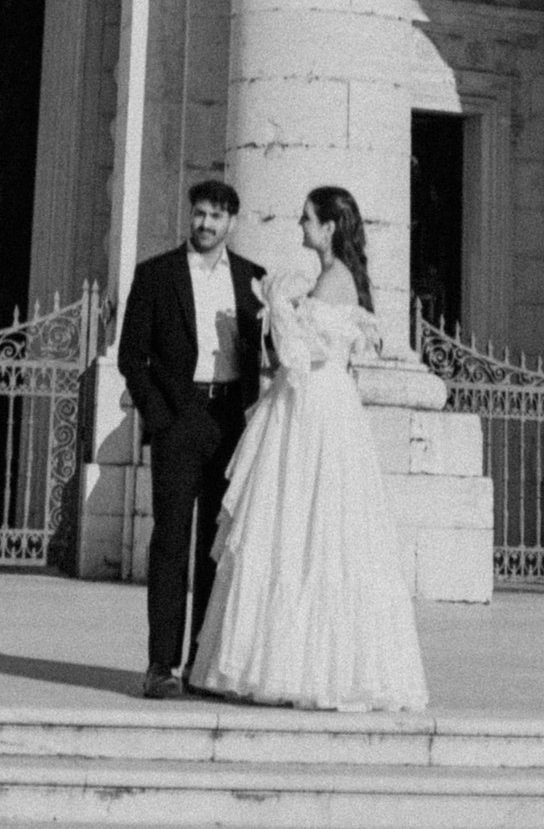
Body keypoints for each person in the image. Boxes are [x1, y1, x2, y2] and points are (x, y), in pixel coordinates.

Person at [185, 186, 429, 714]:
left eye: (307, 220)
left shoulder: (336, 280)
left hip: (315, 407)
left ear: (329, 228)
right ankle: (281, 661)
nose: (300, 227)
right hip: (311, 405)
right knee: (294, 531)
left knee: (309, 531)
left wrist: (275, 303)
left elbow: (296, 356)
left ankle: (305, 668)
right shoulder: (330, 280)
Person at [115, 175, 265, 699]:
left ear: (232, 222)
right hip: (179, 420)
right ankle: (161, 666)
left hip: (229, 422)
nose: (205, 224)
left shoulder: (253, 280)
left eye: (216, 216)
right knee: (171, 542)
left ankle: (203, 666)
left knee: (214, 548)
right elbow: (131, 356)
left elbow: (264, 356)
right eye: (199, 214)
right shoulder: (156, 275)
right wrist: (159, 416)